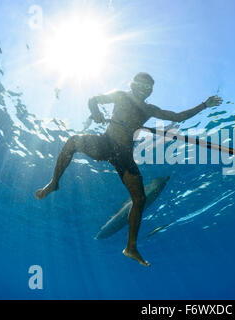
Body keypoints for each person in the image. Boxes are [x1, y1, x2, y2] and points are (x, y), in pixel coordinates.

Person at [35, 72, 223, 266]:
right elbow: (93, 99)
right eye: (141, 85)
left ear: (150, 92)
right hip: (105, 143)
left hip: (124, 155)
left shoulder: (149, 109)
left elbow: (178, 116)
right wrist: (96, 111)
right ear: (132, 85)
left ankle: (131, 247)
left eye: (148, 88)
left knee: (139, 199)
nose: (143, 90)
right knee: (73, 142)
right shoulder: (119, 95)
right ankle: (54, 183)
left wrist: (203, 105)